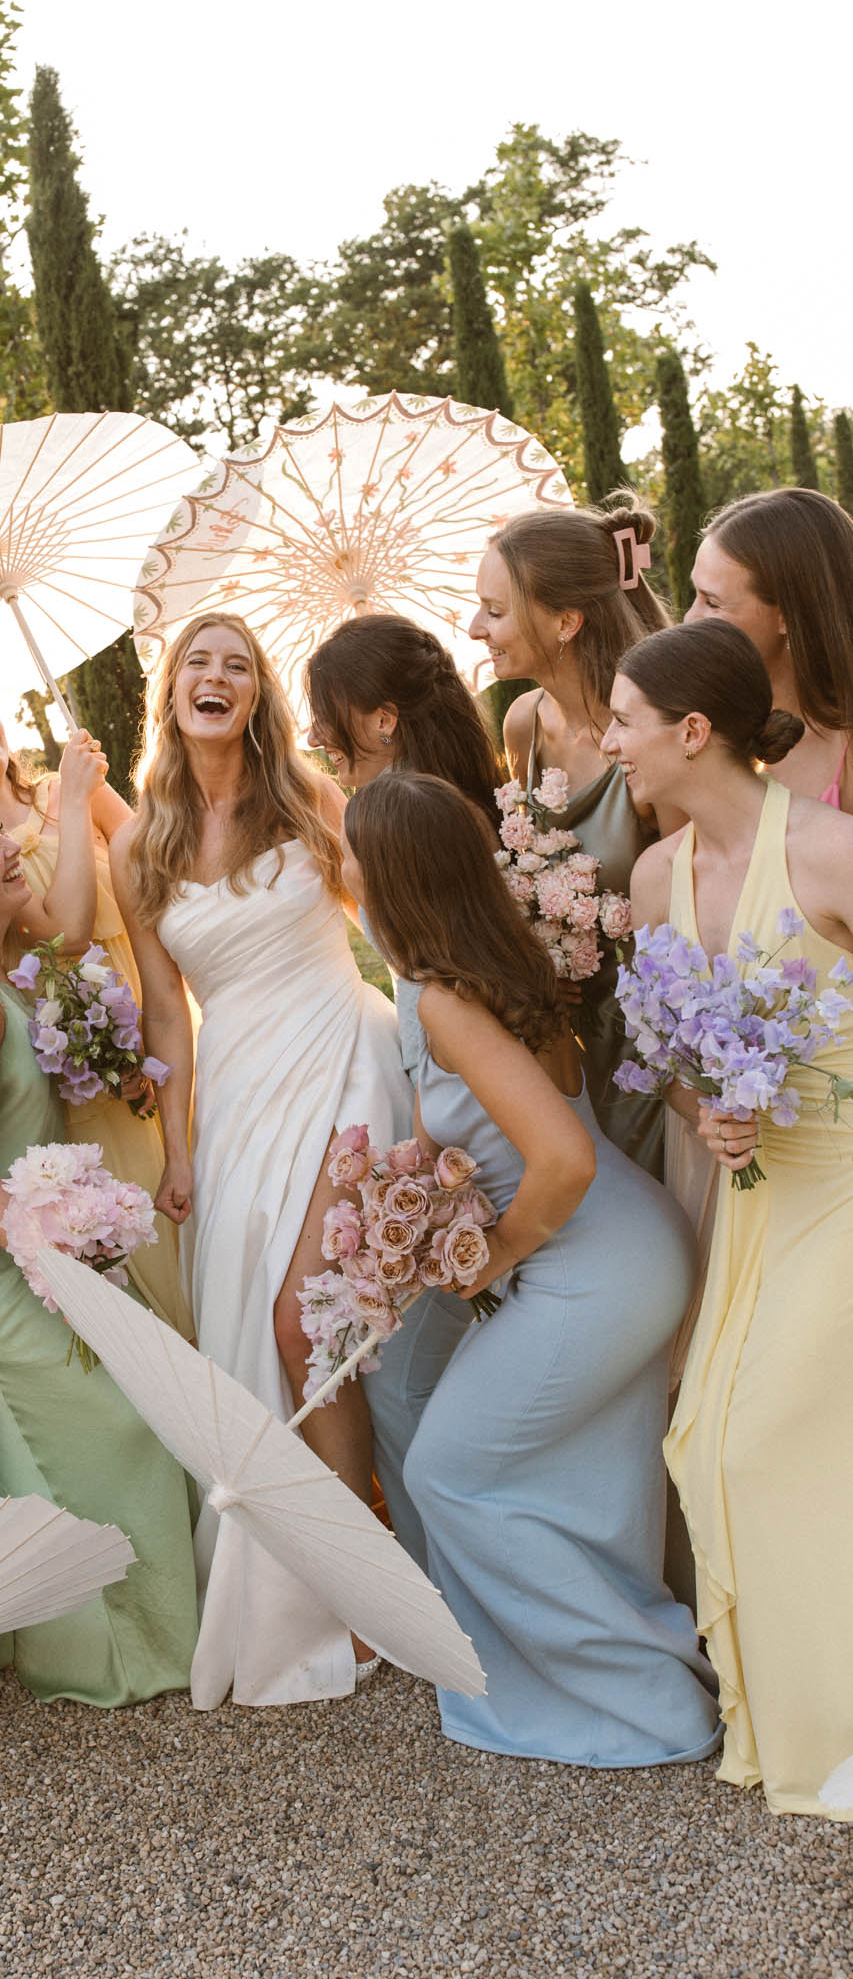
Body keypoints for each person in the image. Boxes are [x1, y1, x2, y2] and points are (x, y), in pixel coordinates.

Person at [343, 767, 720, 1767]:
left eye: (347, 847)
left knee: (451, 1470)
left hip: (598, 1266)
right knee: (582, 1476)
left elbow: (563, 1157)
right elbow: (467, 1144)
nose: (334, 861)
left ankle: (648, 1699)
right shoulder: (470, 970)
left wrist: (498, 1251)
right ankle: (641, 1669)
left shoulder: (447, 1000)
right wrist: (402, 1213)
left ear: (388, 875)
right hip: (615, 1253)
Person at [114, 611, 406, 1708]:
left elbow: (392, 921)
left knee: (308, 1316)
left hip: (342, 1053)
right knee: (261, 1326)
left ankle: (368, 1570)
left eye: (237, 664)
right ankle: (343, 1563)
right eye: (200, 660)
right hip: (237, 1085)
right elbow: (166, 1014)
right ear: (173, 689)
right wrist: (178, 1147)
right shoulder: (140, 840)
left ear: (257, 694)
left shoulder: (309, 801)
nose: (217, 675)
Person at [0, 791, 198, 1706]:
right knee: (121, 1426)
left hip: (41, 1249)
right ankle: (120, 1644)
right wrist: (48, 1264)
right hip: (6, 1270)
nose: (11, 848)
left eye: (4, 833)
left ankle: (158, 1618)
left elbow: (72, 930)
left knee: (142, 1407)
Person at [604, 618, 853, 1818]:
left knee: (763, 1442)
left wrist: (797, 1087)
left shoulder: (834, 855)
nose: (609, 745)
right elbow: (680, 1053)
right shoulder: (655, 877)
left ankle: (831, 1727)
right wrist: (712, 1107)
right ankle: (787, 1711)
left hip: (844, 1181)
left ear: (691, 729)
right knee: (703, 1441)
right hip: (747, 1196)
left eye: (623, 720)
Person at [0, 666, 192, 1338]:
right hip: (90, 1068)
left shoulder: (63, 786)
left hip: (161, 1031)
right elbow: (68, 936)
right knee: (164, 1268)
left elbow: (156, 859)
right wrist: (78, 808)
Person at [303, 613, 503, 1562]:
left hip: (476, 1130)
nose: (316, 737)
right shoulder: (442, 803)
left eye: (326, 718)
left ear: (381, 720)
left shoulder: (408, 820)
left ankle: (454, 1587)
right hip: (453, 1107)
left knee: (406, 1376)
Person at [471, 495, 672, 1177]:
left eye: (495, 611)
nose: (475, 627)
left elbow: (701, 904)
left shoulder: (655, 737)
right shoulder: (521, 724)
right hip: (558, 1040)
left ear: (564, 621)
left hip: (655, 1045)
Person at [685, 488, 853, 812]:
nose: (689, 618)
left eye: (713, 602)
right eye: (695, 595)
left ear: (788, 616)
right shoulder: (699, 731)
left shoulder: (843, 753)